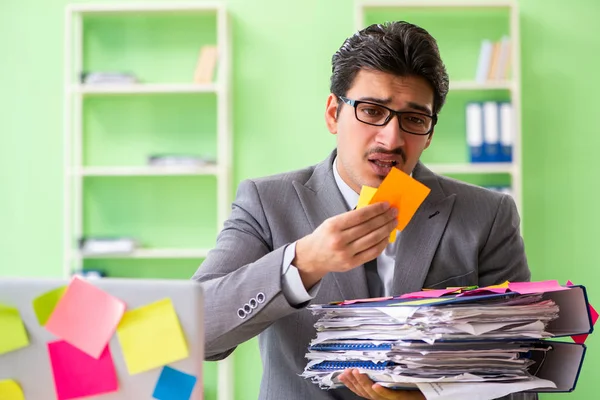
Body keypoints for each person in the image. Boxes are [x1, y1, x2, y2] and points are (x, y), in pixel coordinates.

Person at [193, 21, 533, 400]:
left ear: (430, 132)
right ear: (333, 114)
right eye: (372, 111)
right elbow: (198, 333)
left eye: (414, 119)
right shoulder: (266, 202)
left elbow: (519, 378)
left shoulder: (488, 214)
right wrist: (304, 262)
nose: (392, 138)